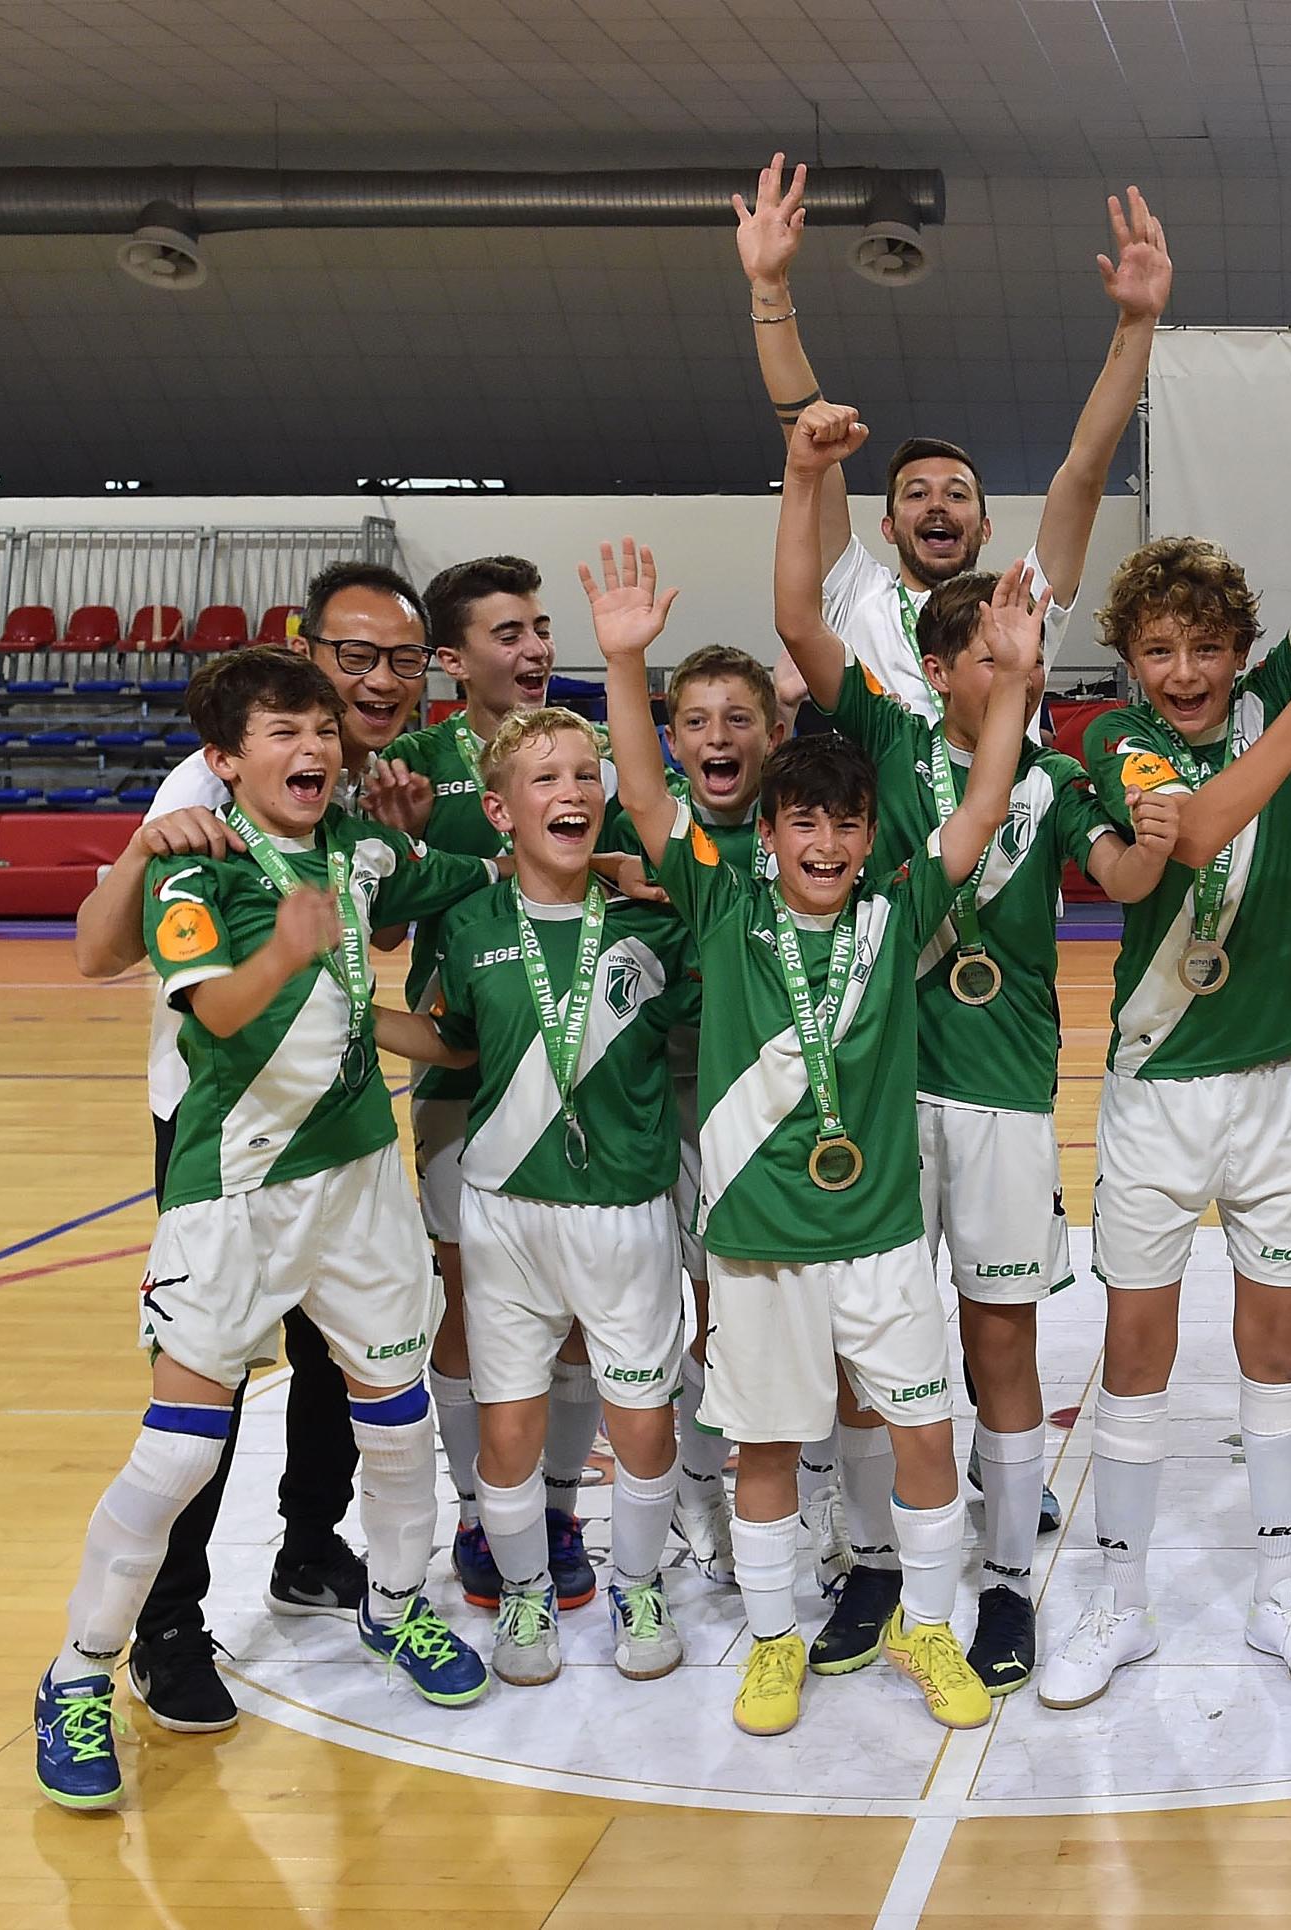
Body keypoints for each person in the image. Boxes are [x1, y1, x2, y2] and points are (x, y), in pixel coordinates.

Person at [36, 649, 498, 1810]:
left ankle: (395, 1606)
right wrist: (288, 945)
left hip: (360, 1182)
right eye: (283, 732)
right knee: (181, 1450)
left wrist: (586, 863)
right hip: (234, 1188)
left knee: (395, 1420)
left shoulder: (364, 849)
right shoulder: (196, 866)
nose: (313, 749)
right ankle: (79, 1669)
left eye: (323, 730)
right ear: (225, 758)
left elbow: (477, 871)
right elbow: (221, 1012)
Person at [596, 514, 1034, 1738]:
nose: (828, 843)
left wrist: (1008, 680)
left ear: (870, 834)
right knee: (770, 1449)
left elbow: (984, 801)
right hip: (758, 1241)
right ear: (772, 832)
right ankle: (776, 1640)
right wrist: (625, 662)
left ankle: (928, 1627)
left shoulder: (899, 910)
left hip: (881, 1235)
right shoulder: (722, 901)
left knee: (921, 1430)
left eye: (847, 825)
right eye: (805, 824)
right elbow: (645, 792)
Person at [774, 401, 1180, 1698]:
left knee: (1001, 1343)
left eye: (1025, 647)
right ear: (936, 669)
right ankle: (877, 1564)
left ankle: (1004, 1579)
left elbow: (1124, 877)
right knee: (871, 1348)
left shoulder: (1057, 780)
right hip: (889, 1094)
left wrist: (1157, 840)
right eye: (988, 649)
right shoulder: (888, 743)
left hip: (1005, 1094)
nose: (1015, 663)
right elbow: (798, 620)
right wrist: (801, 472)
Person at [1045, 329, 1291, 1709]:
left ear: (1240, 648)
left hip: (1275, 1080)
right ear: (1129, 659)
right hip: (1154, 1083)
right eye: (1160, 648)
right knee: (1137, 1344)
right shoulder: (1108, 741)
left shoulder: (1269, 695)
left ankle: (1277, 1591)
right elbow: (1189, 838)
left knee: (1276, 1341)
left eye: (1207, 645)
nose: (1187, 668)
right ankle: (1121, 1599)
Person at [425, 704, 699, 1688]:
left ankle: (639, 1584)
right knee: (508, 1427)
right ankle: (526, 1592)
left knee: (645, 1420)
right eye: (545, 778)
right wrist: (348, 1016)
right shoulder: (469, 928)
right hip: (504, 1212)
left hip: (626, 1208)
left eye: (587, 774)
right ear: (500, 810)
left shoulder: (653, 924)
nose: (572, 791)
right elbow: (456, 1044)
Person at [734, 151, 1165, 707]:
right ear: (888, 528)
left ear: (985, 528)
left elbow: (1085, 469)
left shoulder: (1019, 609)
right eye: (917, 494)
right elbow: (802, 428)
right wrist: (768, 284)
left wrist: (1138, 322)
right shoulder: (857, 595)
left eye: (957, 495)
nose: (937, 505)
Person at [386, 554, 607, 1615]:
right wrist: (401, 834)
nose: (535, 649)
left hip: (579, 1059)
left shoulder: (577, 752)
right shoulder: (410, 764)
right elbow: (383, 928)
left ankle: (556, 1508)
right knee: (470, 1298)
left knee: (574, 1309)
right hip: (460, 1067)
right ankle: (479, 1510)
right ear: (452, 658)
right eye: (508, 633)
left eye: (541, 629)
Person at [651, 643, 788, 1579]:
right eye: (695, 722)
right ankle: (698, 1496)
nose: (717, 737)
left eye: (738, 719)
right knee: (699, 1316)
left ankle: (812, 1497)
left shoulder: (800, 831)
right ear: (671, 741)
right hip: (668, 1098)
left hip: (777, 1102)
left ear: (773, 734)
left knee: (789, 1314)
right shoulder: (650, 830)